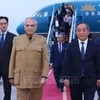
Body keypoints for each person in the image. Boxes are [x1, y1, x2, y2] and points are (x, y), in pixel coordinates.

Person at [9, 17, 49, 100]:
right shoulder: (17, 40)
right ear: (24, 27)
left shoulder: (42, 40)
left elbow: (45, 60)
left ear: (36, 27)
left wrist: (44, 76)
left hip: (36, 78)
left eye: (32, 25)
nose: (29, 27)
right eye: (27, 25)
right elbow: (12, 58)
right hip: (20, 78)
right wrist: (11, 76)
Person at [63, 22, 100, 100]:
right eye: (79, 30)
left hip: (90, 80)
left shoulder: (95, 46)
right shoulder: (70, 46)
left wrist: (99, 77)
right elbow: (66, 63)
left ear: (88, 32)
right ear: (76, 33)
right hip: (75, 80)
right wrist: (66, 77)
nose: (81, 32)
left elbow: (98, 63)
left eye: (84, 30)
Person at [0, 16, 16, 100]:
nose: (3, 25)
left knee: (7, 88)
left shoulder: (14, 37)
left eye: (4, 23)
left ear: (7, 24)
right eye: (1, 24)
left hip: (7, 68)